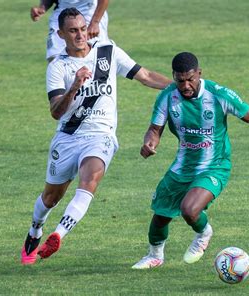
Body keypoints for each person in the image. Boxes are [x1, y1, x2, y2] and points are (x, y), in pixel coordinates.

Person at [20, 8, 172, 265]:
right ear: (60, 34)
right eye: (72, 31)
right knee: (51, 197)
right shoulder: (58, 67)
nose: (80, 34)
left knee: (89, 180)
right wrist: (75, 86)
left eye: (82, 28)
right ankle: (36, 229)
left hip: (100, 135)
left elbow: (144, 76)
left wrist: (179, 86)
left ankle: (58, 234)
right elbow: (56, 113)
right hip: (68, 137)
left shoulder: (107, 50)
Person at [132, 52, 249, 269]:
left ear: (199, 74)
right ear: (173, 76)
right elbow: (155, 129)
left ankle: (204, 233)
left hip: (215, 165)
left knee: (189, 210)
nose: (185, 86)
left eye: (190, 79)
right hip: (183, 165)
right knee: (160, 215)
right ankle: (155, 256)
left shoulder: (219, 95)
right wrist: (149, 143)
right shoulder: (167, 96)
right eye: (180, 80)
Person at [30, 0, 110, 61]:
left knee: (96, 58)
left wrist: (95, 22)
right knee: (55, 59)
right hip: (62, 11)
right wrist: (42, 7)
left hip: (89, 11)